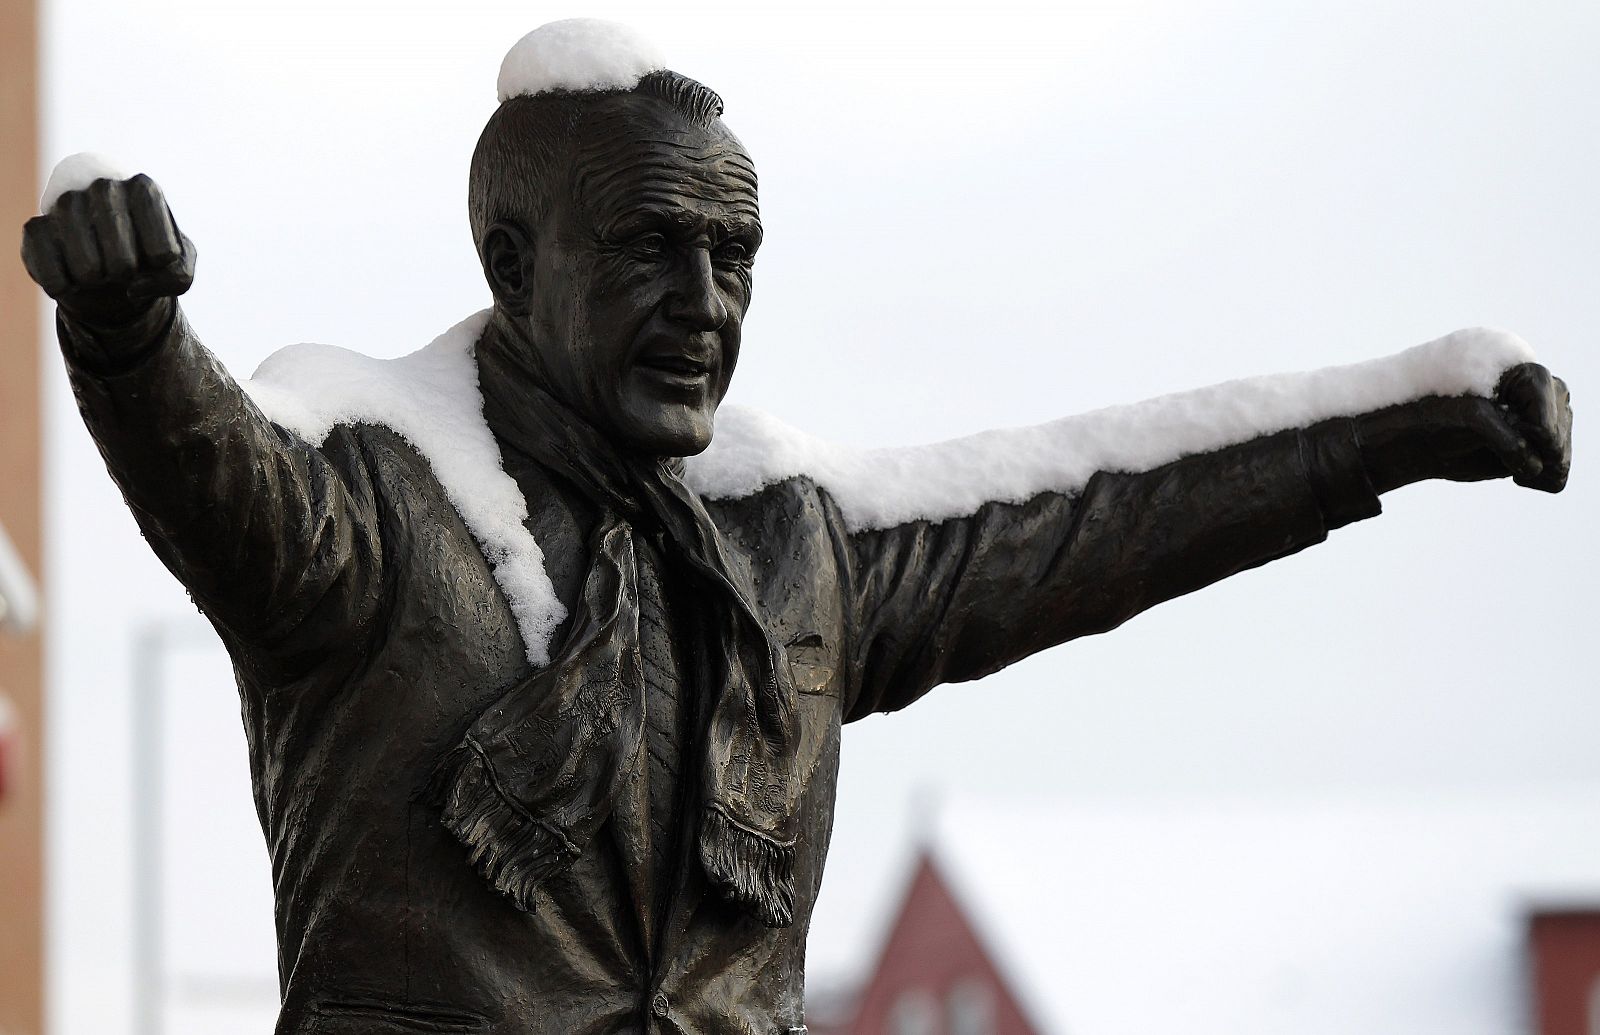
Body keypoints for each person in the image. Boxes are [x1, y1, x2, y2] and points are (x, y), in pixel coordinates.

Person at [20, 22, 1571, 1035]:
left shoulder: (786, 554)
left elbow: (1098, 508)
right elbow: (206, 457)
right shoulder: (363, 511)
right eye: (653, 250)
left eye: (736, 259)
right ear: (510, 257)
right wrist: (126, 327)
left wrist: (1397, 424)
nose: (706, 308)